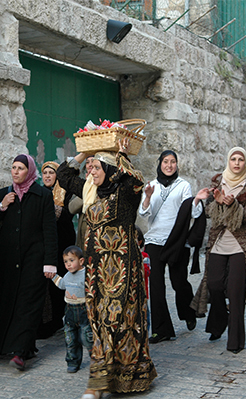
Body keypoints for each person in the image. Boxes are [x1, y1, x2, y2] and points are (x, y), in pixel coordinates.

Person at [57, 139, 157, 399]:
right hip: (97, 271)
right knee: (101, 322)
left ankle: (120, 378)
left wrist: (120, 154)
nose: (91, 172)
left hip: (124, 269)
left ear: (110, 169)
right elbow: (63, 175)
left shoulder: (125, 193)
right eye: (91, 168)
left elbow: (135, 179)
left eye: (97, 167)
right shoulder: (90, 189)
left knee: (124, 321)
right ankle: (100, 381)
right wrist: (85, 153)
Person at [0, 154, 58, 371]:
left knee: (28, 304)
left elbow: (49, 230)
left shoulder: (43, 195)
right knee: (8, 301)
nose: (16, 172)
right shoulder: (3, 194)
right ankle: (8, 344)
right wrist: (1, 206)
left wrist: (50, 262)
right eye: (13, 168)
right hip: (8, 260)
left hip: (33, 260)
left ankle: (20, 352)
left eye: (20, 168)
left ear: (29, 171)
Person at [190, 147, 246, 354]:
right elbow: (210, 213)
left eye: (240, 160)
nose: (236, 163)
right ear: (228, 161)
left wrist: (233, 205)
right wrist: (219, 202)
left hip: (239, 245)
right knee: (215, 284)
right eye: (233, 159)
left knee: (237, 293)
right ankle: (220, 320)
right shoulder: (217, 181)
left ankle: (235, 341)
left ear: (245, 163)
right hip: (217, 243)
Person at [137, 150, 202, 343]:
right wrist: (147, 196)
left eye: (173, 162)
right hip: (154, 240)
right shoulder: (152, 185)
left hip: (176, 241)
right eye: (166, 161)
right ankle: (161, 329)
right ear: (160, 164)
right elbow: (143, 213)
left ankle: (188, 313)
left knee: (179, 282)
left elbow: (191, 210)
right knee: (156, 285)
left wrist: (197, 200)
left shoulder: (183, 185)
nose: (169, 165)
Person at [38, 161, 77, 338]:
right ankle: (48, 321)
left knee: (59, 283)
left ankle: (58, 320)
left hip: (63, 244)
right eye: (44, 172)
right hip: (46, 246)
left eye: (51, 173)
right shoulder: (39, 193)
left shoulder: (66, 194)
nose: (47, 176)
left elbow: (68, 215)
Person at [48, 245, 92, 373]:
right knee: (70, 338)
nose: (68, 264)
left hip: (83, 310)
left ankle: (96, 358)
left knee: (86, 337)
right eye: (66, 262)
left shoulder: (86, 275)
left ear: (81, 261)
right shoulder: (67, 275)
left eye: (72, 260)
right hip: (70, 310)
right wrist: (53, 276)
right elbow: (62, 285)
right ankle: (73, 361)